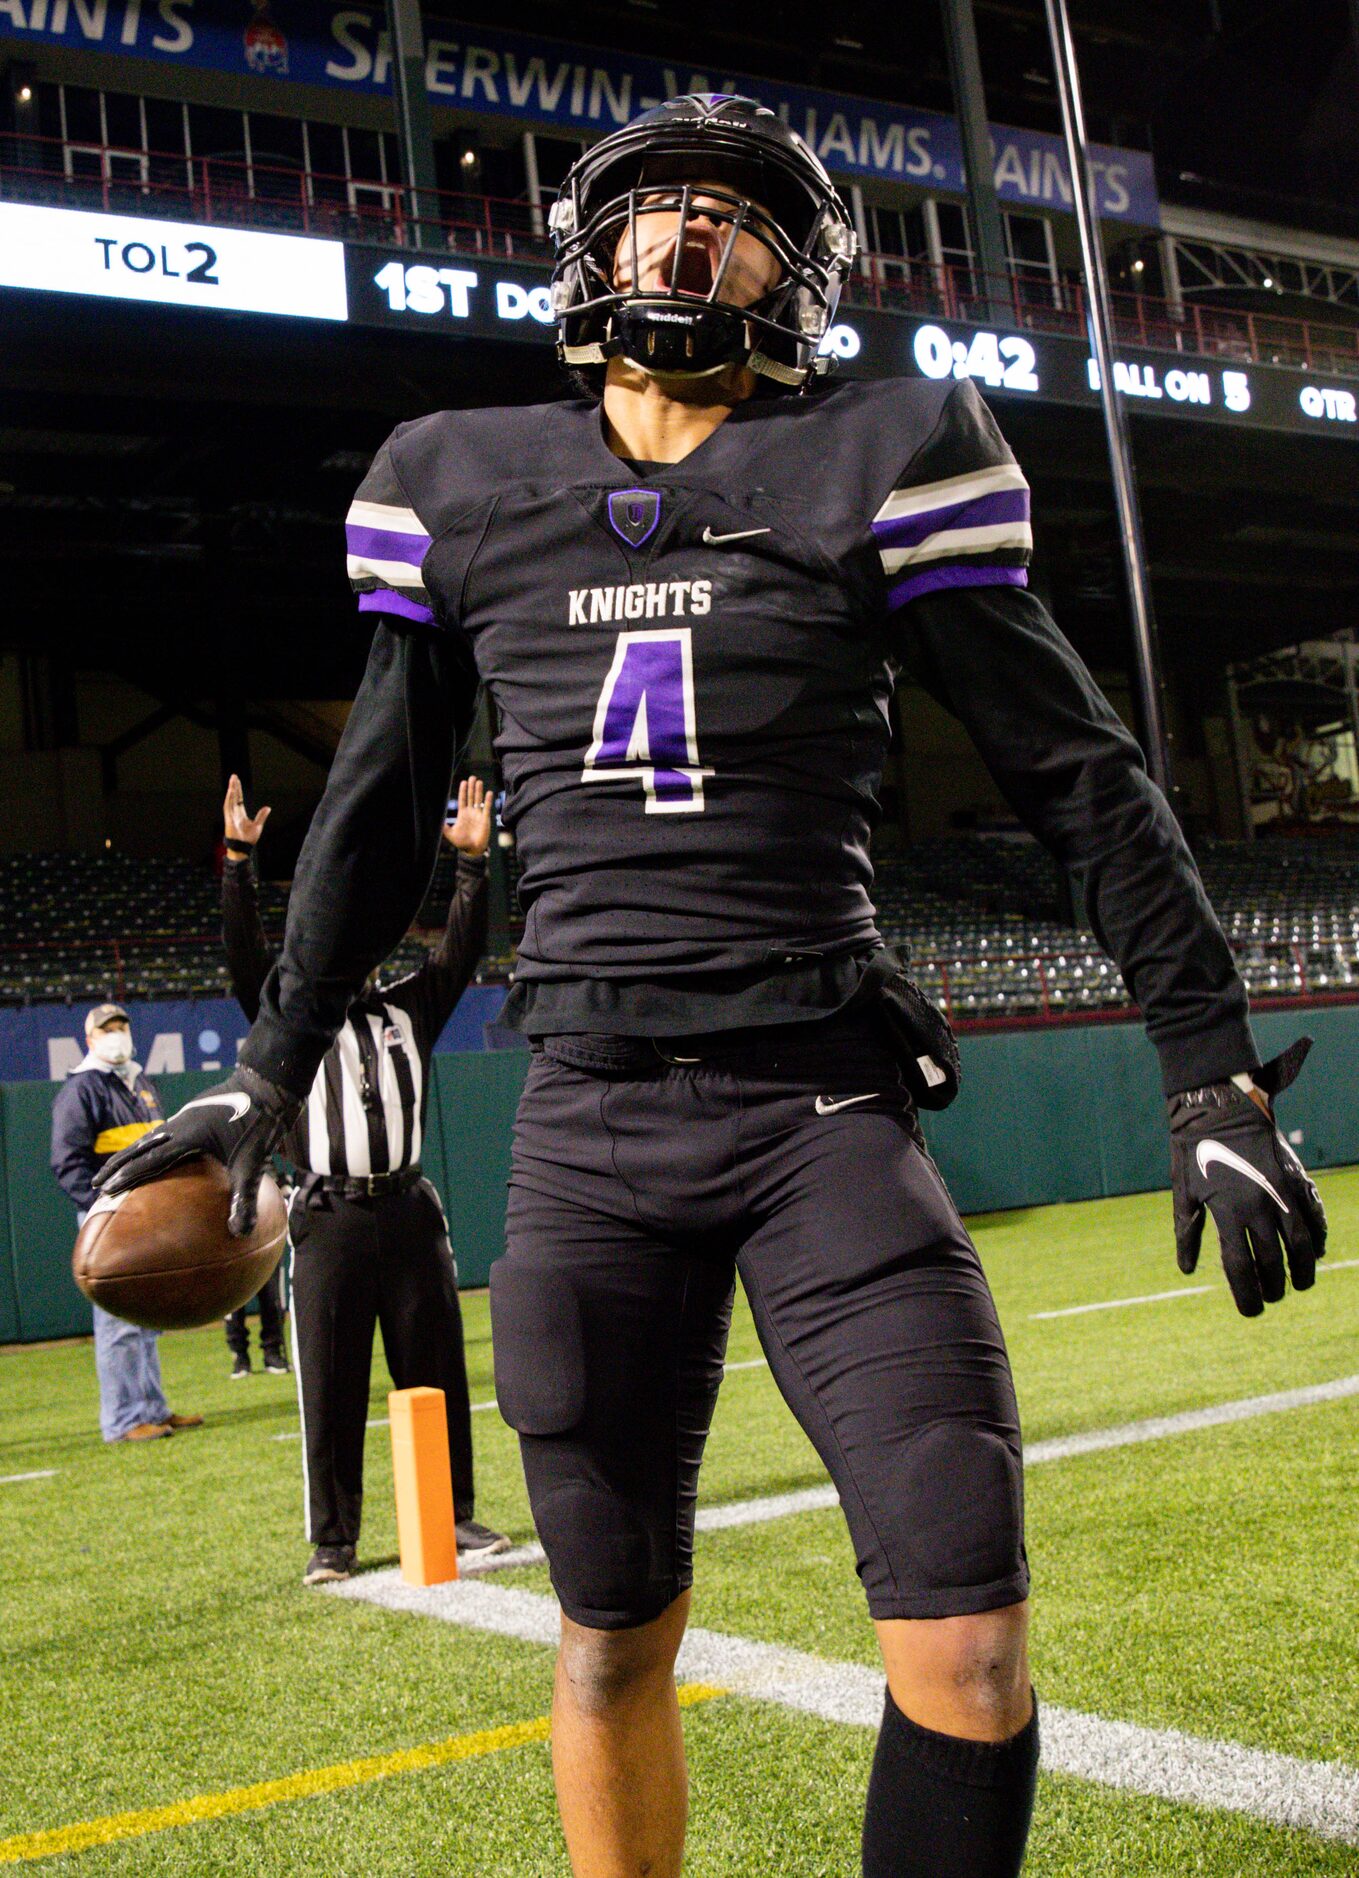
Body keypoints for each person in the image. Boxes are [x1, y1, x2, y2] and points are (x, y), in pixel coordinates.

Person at [102, 97, 1327, 1877]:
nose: (687, 241)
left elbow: (1077, 777)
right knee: (607, 1635)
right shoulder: (457, 479)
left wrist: (1205, 1070)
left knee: (969, 1644)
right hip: (590, 1128)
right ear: (589, 254)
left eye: (736, 221)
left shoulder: (882, 449)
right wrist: (269, 1069)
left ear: (799, 274)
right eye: (657, 214)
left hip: (815, 1105)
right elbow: (370, 812)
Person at [218, 771, 510, 1583]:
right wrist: (238, 865)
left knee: (436, 1370)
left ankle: (453, 1515)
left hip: (408, 1210)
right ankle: (333, 1539)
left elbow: (462, 948)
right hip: (330, 1216)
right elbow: (244, 961)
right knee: (331, 1383)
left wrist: (473, 866)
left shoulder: (411, 1007)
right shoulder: (290, 1015)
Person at [51, 1004, 203, 1444]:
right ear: (90, 1039)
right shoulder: (82, 1089)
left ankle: (152, 1408)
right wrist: (103, 1210)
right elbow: (67, 1162)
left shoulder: (139, 1082)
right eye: (107, 1029)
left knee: (143, 1319)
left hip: (146, 1217)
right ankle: (122, 1420)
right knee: (118, 1324)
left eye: (121, 1027)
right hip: (114, 1220)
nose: (116, 1035)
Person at [224, 1269, 288, 1379]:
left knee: (272, 1296)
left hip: (268, 1254)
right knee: (233, 1302)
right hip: (231, 1257)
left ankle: (273, 1353)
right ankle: (240, 1358)